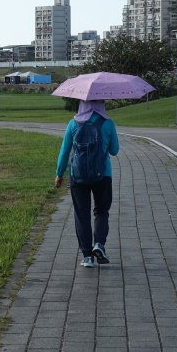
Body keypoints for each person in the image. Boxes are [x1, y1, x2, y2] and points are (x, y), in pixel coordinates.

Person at [55, 99, 120, 268]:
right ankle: (99, 244)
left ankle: (87, 256)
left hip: (78, 176)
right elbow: (114, 150)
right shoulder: (108, 123)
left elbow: (64, 151)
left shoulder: (73, 123)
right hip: (103, 175)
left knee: (82, 215)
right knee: (101, 211)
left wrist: (59, 174)